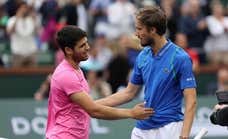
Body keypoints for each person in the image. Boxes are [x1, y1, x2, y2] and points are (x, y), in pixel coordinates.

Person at [96, 6, 197, 139]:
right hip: (142, 129)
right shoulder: (142, 56)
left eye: (139, 29)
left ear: (153, 30)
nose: (136, 34)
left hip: (169, 128)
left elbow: (191, 101)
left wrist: (184, 135)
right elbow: (128, 93)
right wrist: (93, 105)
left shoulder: (180, 58)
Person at [45, 25, 153, 139]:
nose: (88, 47)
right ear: (68, 50)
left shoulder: (76, 69)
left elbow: (90, 105)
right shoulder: (66, 75)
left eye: (86, 43)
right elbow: (94, 110)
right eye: (82, 45)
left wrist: (126, 96)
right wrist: (131, 113)